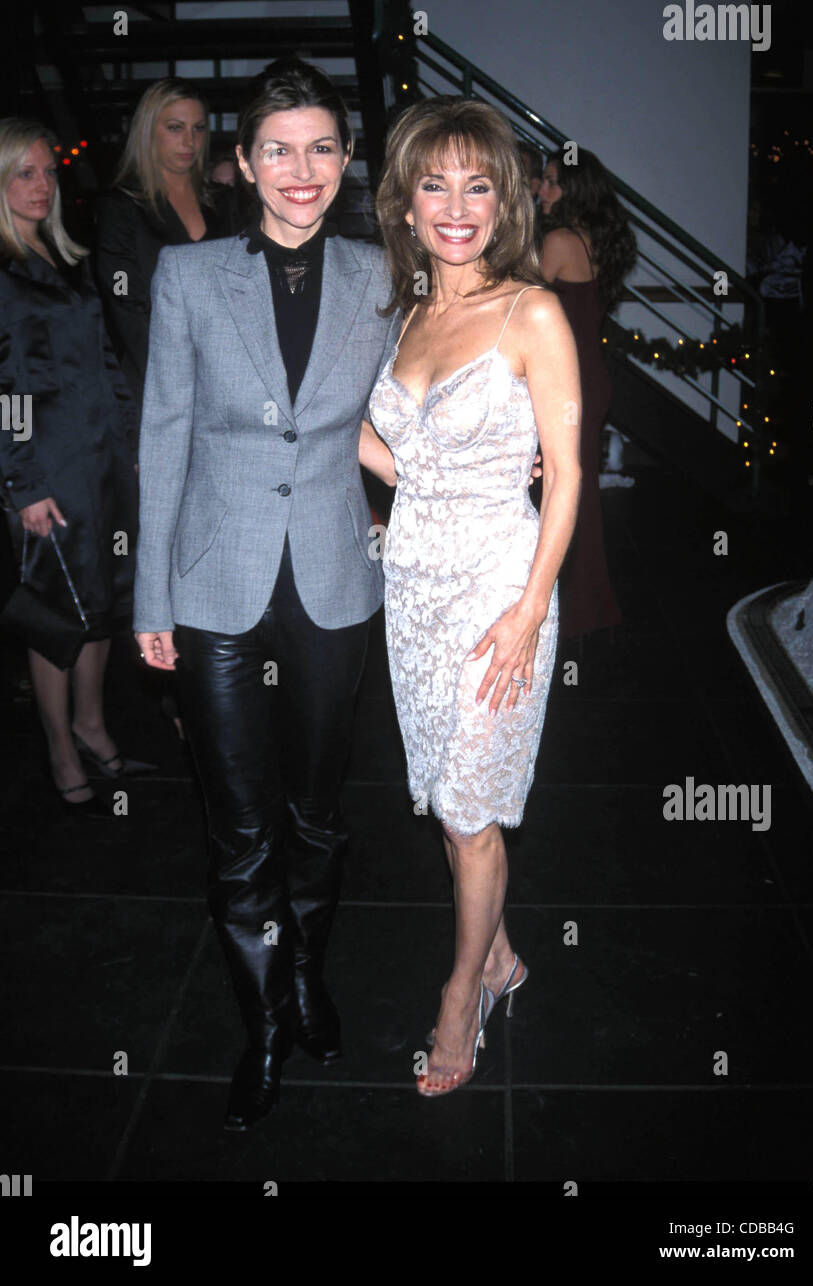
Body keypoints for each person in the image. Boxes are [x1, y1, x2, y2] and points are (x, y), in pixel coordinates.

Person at [132, 59, 401, 1132]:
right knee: (239, 827)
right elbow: (161, 440)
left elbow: (398, 424)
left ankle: (304, 977)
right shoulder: (189, 276)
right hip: (214, 581)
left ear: (346, 162)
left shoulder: (382, 275)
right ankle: (263, 1029)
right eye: (277, 150)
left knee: (318, 815)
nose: (302, 170)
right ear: (243, 162)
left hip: (336, 578)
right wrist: (149, 596)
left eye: (322, 148)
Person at [368, 97, 582, 1096]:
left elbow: (569, 472)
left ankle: (463, 998)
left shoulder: (529, 309)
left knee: (471, 806)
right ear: (406, 203)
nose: (456, 204)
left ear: (504, 204)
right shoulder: (408, 310)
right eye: (434, 183)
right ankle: (497, 955)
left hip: (501, 589)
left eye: (478, 183)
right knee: (450, 815)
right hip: (411, 591)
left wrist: (532, 607)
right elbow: (385, 447)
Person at [0, 119, 144, 815]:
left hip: (102, 461)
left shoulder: (65, 256)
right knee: (58, 613)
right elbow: (8, 393)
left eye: (48, 172)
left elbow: (107, 359)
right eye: (24, 172)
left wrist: (129, 443)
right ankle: (59, 745)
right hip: (47, 469)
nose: (41, 185)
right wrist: (24, 485)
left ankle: (92, 722)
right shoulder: (4, 271)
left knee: (105, 600)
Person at [539, 147, 636, 639]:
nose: (543, 189)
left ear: (575, 189)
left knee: (557, 491)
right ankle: (582, 603)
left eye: (552, 181)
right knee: (575, 491)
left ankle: (571, 607)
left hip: (564, 384)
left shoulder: (557, 239)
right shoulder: (595, 237)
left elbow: (509, 297)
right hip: (587, 378)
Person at [94, 78, 235, 408]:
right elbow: (124, 304)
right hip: (151, 382)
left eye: (198, 128)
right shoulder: (122, 207)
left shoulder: (223, 202)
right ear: (148, 131)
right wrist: (180, 378)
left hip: (223, 379)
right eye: (175, 128)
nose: (189, 141)